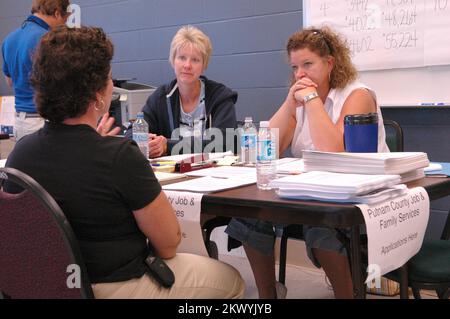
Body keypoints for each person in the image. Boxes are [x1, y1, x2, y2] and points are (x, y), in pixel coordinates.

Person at [5, 26, 245, 299]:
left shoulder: (20, 154)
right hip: (113, 286)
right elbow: (168, 245)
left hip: (43, 287)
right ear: (97, 94)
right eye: (109, 77)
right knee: (232, 281)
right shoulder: (119, 156)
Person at [226, 26, 389, 299]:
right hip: (309, 190)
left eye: (308, 65)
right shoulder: (300, 98)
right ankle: (269, 294)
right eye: (295, 67)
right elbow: (267, 149)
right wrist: (290, 104)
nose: (300, 75)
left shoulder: (357, 94)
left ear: (329, 63)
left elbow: (333, 150)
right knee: (249, 213)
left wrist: (311, 101)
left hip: (358, 196)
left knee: (320, 222)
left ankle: (345, 295)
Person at [139, 25, 238, 158]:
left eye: (195, 60)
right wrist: (145, 142)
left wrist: (168, 146)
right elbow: (133, 132)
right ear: (173, 60)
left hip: (214, 173)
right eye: (182, 58)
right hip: (172, 174)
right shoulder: (160, 97)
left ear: (204, 65)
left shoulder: (220, 96)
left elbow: (226, 142)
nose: (187, 65)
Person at [1, 0, 71, 140]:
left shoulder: (9, 39)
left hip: (21, 122)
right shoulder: (48, 39)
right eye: (65, 20)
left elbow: (10, 81)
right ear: (57, 13)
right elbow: (60, 85)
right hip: (43, 122)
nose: (64, 26)